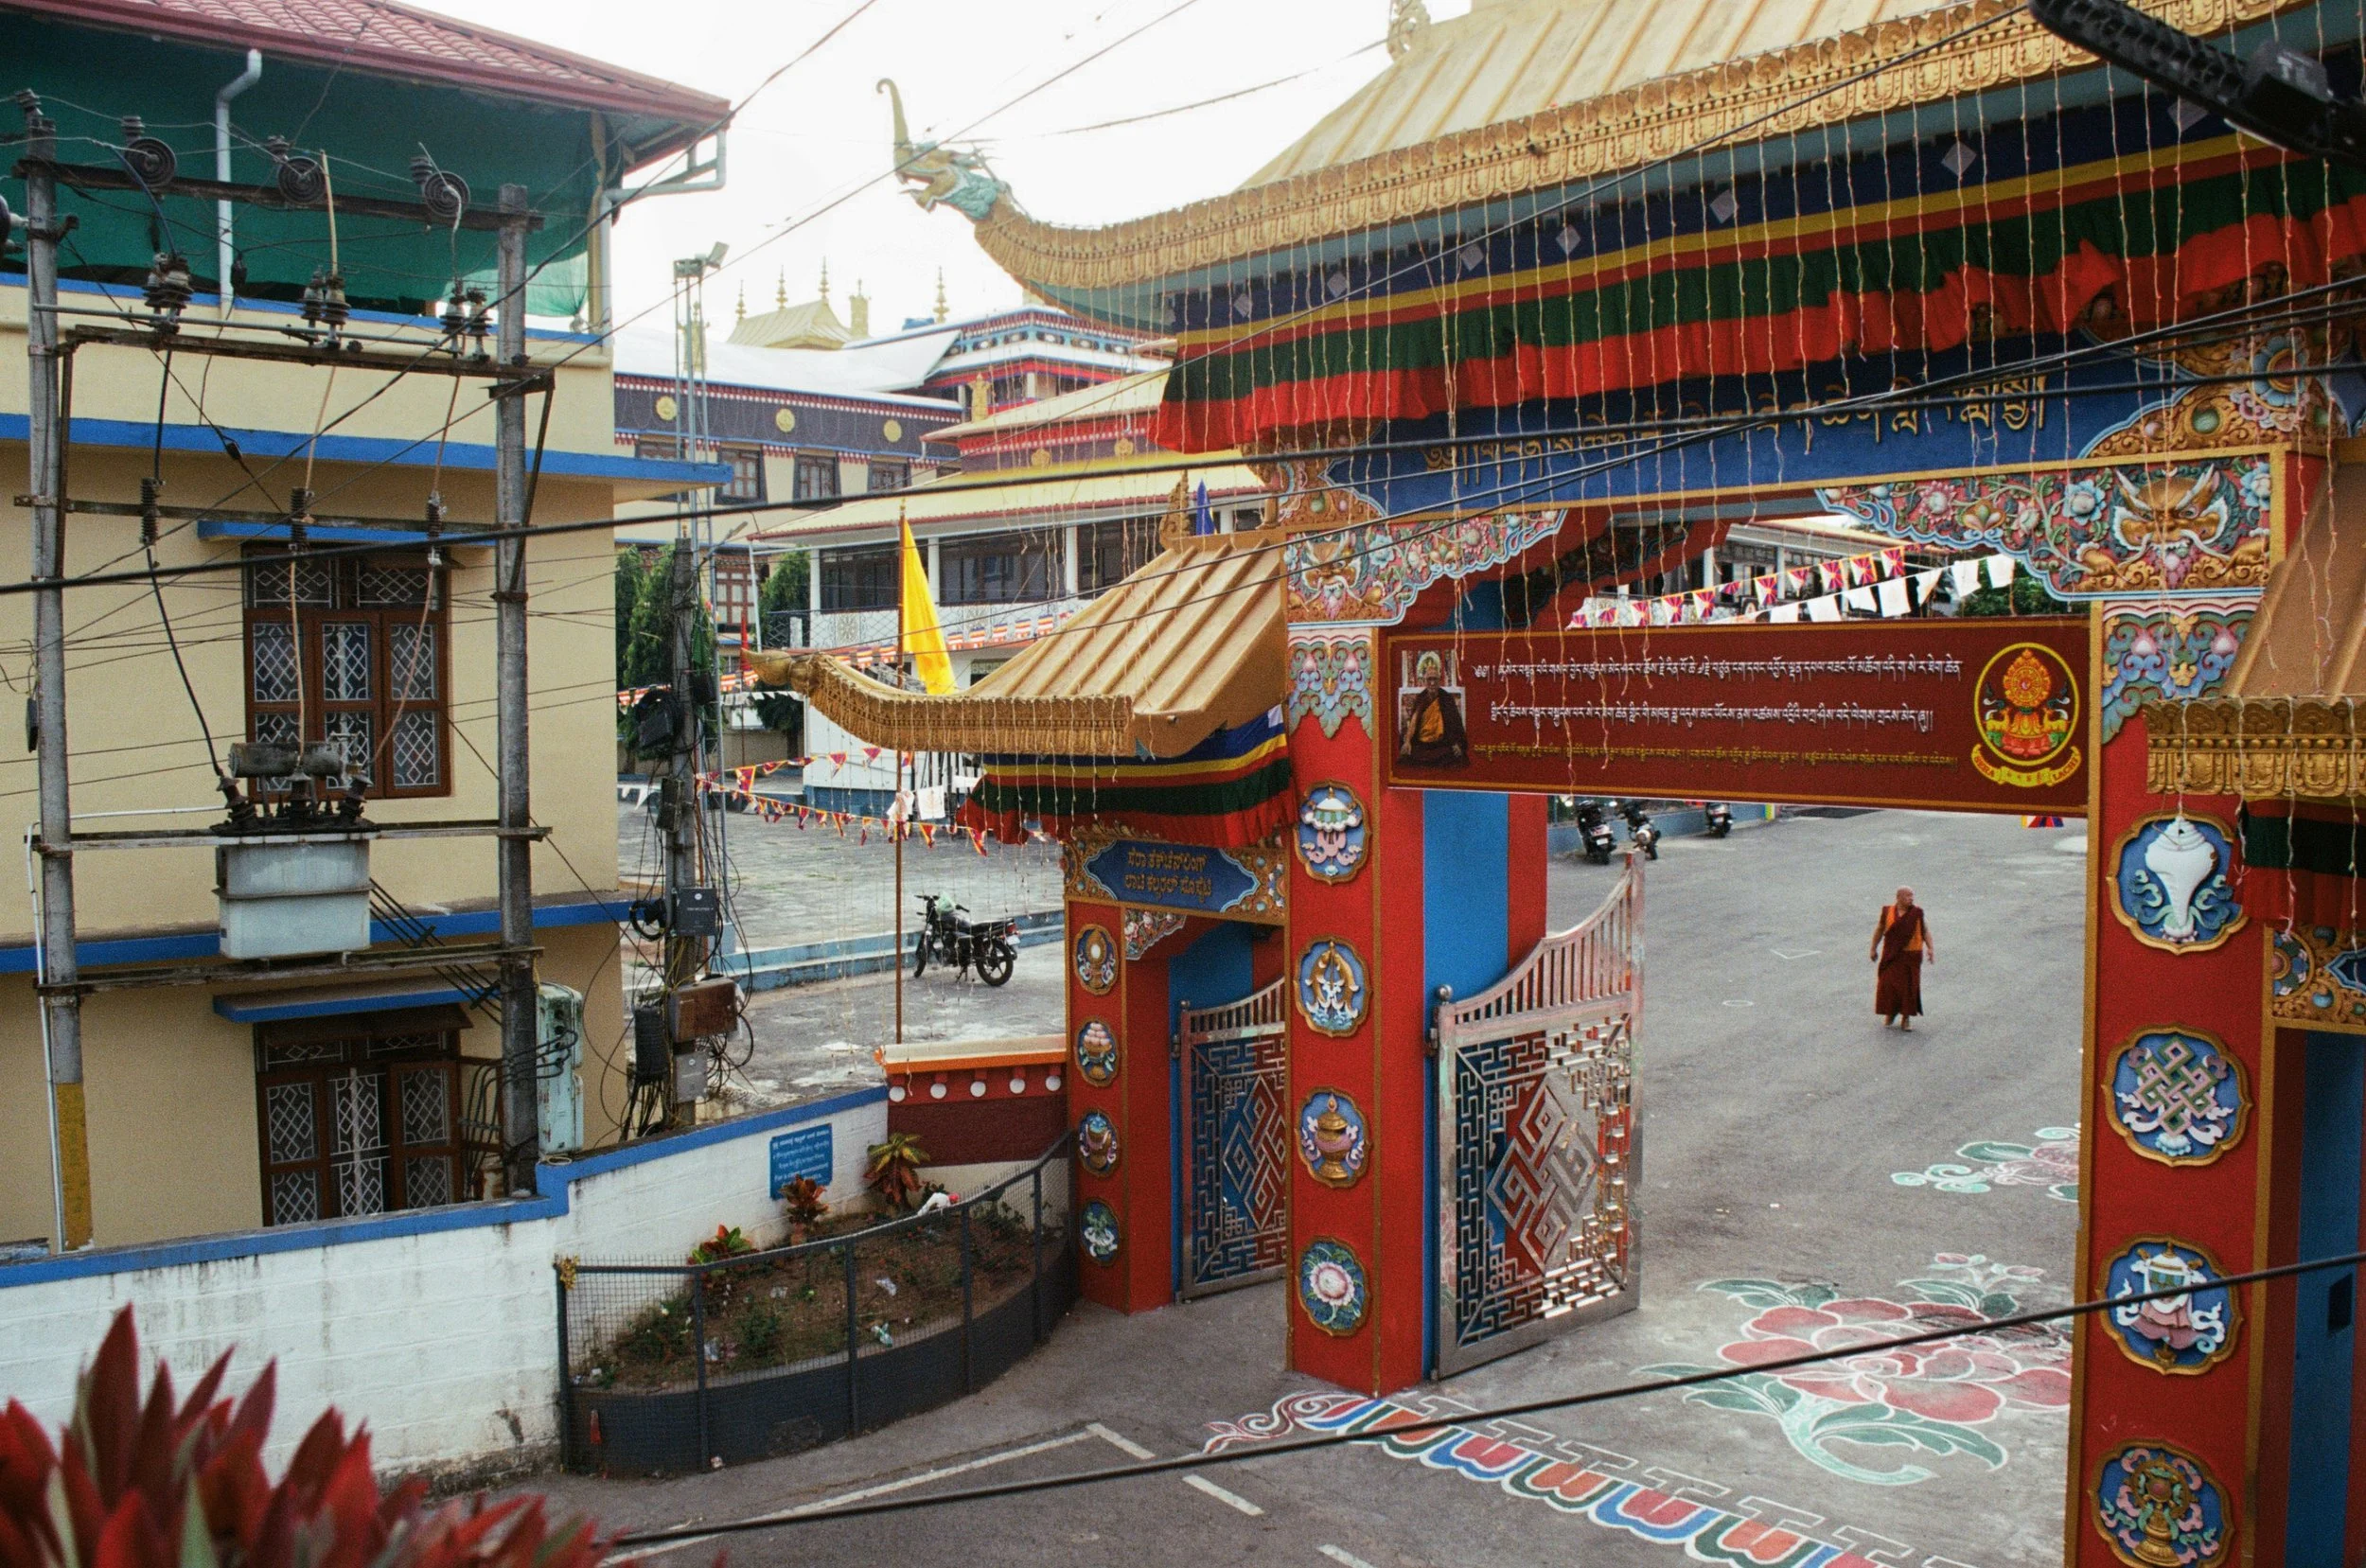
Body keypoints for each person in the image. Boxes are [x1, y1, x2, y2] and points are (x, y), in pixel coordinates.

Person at [1870, 887, 1934, 1031]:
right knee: (1887, 984)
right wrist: (1873, 948)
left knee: (1909, 987)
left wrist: (1930, 948)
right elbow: (1880, 929)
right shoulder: (1887, 912)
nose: (1911, 899)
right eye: (1908, 896)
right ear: (1898, 897)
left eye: (1912, 896)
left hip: (1911, 955)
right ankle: (1891, 1012)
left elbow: (1925, 931)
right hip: (1892, 954)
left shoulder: (1917, 913)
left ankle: (1906, 1018)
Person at [1398, 650, 1468, 766]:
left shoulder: (1446, 698)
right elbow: (1414, 722)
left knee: (1457, 760)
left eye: (1434, 679)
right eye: (1429, 679)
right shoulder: (1420, 698)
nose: (1432, 683)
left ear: (1439, 681)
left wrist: (1457, 744)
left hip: (1441, 745)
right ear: (1424, 681)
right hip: (1422, 745)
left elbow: (1455, 724)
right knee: (1404, 759)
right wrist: (1408, 741)